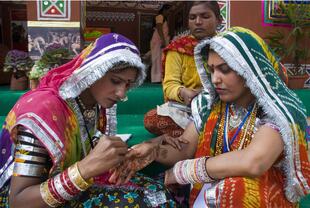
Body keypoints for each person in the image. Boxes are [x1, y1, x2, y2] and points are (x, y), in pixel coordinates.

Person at [113, 27, 310, 207]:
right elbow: (184, 148)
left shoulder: (278, 110)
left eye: (224, 70)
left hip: (258, 194)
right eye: (212, 69)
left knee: (235, 189)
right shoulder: (209, 104)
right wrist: (154, 150)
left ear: (249, 70)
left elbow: (254, 162)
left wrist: (181, 172)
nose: (215, 78)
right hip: (208, 192)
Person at [0, 33, 177, 207]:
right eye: (115, 81)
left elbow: (87, 152)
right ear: (93, 70)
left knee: (156, 193)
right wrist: (85, 169)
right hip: (37, 200)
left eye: (127, 84)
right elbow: (18, 201)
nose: (122, 94)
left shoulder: (92, 103)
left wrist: (149, 145)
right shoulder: (43, 110)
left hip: (74, 182)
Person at [144, 1, 223, 138]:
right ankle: (210, 134)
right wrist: (183, 92)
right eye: (192, 18)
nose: (198, 22)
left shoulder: (227, 46)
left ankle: (197, 135)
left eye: (205, 16)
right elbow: (169, 85)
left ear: (219, 20)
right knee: (152, 119)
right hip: (188, 109)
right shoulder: (178, 48)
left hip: (221, 105)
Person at [149, 4, 171, 83]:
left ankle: (159, 78)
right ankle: (156, 79)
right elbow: (159, 28)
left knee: (161, 59)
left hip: (160, 40)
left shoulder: (163, 18)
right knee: (157, 60)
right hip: (158, 40)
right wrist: (163, 40)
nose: (169, 13)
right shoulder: (160, 16)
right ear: (164, 10)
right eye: (168, 11)